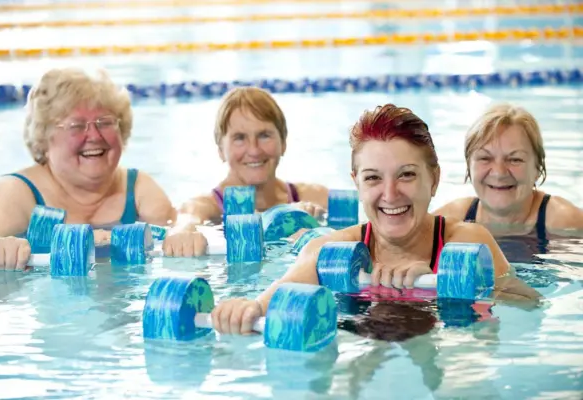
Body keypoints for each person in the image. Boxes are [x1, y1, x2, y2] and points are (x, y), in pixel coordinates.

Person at [209, 103, 541, 335]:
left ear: (434, 179)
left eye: (407, 175)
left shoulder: (468, 243)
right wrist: (240, 312)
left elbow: (529, 306)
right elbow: (268, 305)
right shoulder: (329, 252)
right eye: (373, 178)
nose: (390, 193)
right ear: (356, 183)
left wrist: (440, 292)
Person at [0, 67, 190, 270]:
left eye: (105, 123)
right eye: (76, 125)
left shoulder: (136, 188)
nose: (94, 136)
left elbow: (179, 227)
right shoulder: (16, 192)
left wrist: (184, 229)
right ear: (44, 138)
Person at [178, 86, 330, 254]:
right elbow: (185, 223)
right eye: (240, 138)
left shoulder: (317, 199)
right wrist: (185, 231)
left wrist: (315, 222)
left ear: (284, 142)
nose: (254, 151)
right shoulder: (206, 208)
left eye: (264, 135)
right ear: (221, 149)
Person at [433, 103, 583, 261]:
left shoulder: (565, 222)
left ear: (538, 168)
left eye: (515, 159)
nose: (499, 172)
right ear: (469, 166)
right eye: (485, 158)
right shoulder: (448, 222)